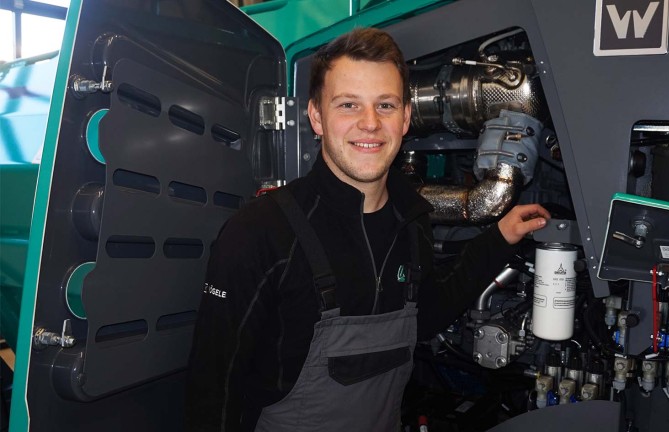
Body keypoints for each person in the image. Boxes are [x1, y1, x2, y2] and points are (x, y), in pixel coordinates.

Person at [185, 27, 550, 432]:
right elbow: (214, 389)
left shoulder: (411, 222)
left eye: (385, 105)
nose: (370, 123)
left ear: (406, 118)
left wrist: (498, 238)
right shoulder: (259, 232)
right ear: (317, 117)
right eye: (348, 105)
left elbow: (426, 316)